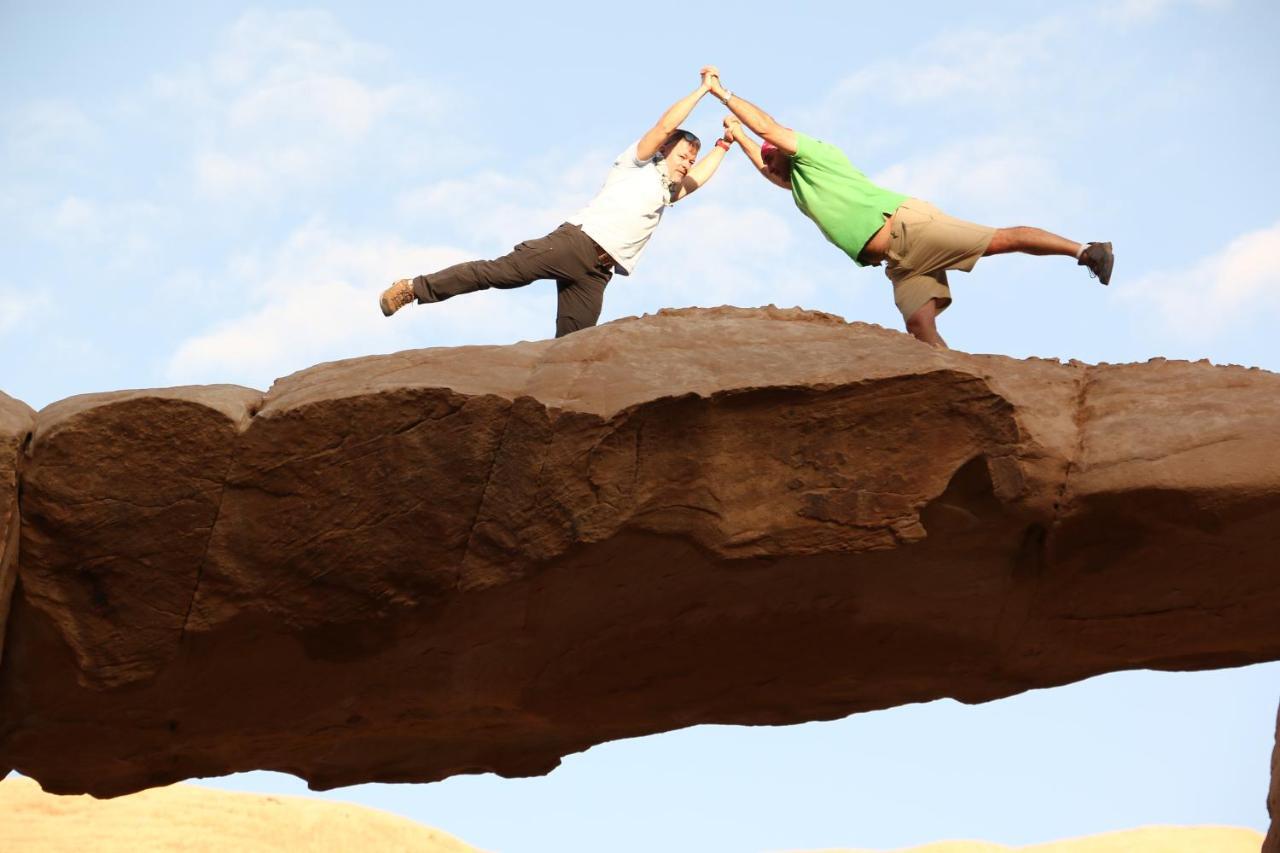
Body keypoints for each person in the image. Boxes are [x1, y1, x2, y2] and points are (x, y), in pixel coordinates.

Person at [703, 67, 1113, 348]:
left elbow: (769, 129)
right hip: (899, 260)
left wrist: (722, 95)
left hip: (907, 227)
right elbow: (765, 164)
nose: (767, 164)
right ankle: (955, 376)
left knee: (1000, 241)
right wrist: (736, 137)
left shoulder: (815, 156)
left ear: (786, 151)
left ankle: (1086, 250)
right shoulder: (797, 184)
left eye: (771, 156)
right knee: (918, 325)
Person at [379, 70, 737, 338]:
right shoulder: (639, 162)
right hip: (573, 245)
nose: (688, 163)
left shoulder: (665, 190)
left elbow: (696, 182)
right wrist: (704, 90)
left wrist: (724, 145)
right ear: (664, 150)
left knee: (574, 344)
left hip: (597, 274)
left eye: (692, 159)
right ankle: (413, 289)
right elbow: (664, 126)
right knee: (497, 273)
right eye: (685, 155)